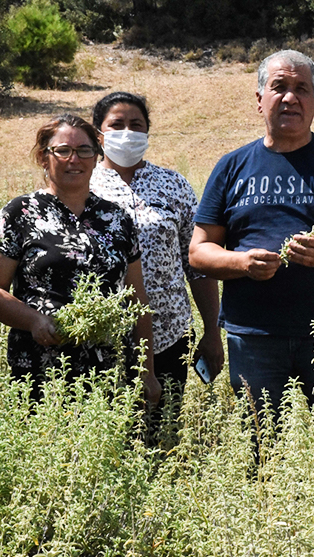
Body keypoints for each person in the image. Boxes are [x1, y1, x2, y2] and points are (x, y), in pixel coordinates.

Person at [189, 50, 314, 417]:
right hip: (253, 337)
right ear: (259, 99)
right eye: (278, 87)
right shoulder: (232, 166)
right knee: (260, 444)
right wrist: (242, 262)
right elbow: (199, 251)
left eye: (302, 89)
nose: (290, 97)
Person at [0, 114, 161, 404]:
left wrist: (146, 371)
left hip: (110, 373)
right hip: (40, 372)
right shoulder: (19, 213)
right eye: (63, 151)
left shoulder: (116, 218)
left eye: (84, 150)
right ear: (43, 157)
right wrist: (34, 321)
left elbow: (137, 300)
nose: (74, 159)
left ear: (95, 156)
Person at [90, 92, 224, 414]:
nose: (127, 133)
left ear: (147, 132)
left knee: (163, 430)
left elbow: (197, 264)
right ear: (98, 135)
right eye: (117, 125)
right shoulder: (84, 185)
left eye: (136, 125)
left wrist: (211, 331)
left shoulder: (173, 184)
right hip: (100, 339)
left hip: (170, 334)